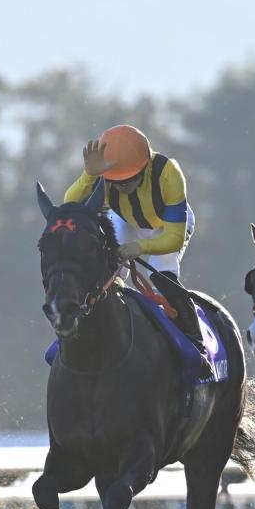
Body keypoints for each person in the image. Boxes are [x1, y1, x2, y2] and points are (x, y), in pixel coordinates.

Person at [63, 124, 204, 354]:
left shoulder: (169, 174)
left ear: (145, 167)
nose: (121, 186)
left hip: (167, 226)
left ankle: (195, 343)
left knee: (161, 276)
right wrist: (89, 175)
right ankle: (76, 331)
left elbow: (174, 239)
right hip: (126, 220)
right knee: (105, 273)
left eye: (128, 180)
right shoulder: (105, 176)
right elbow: (70, 205)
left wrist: (140, 247)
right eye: (115, 181)